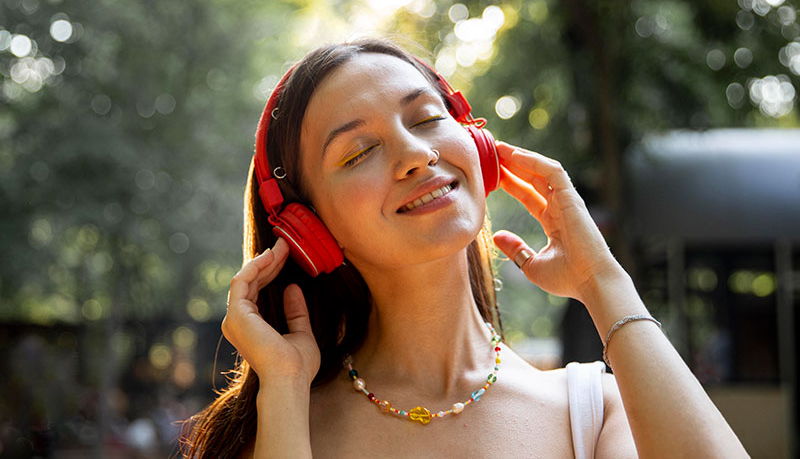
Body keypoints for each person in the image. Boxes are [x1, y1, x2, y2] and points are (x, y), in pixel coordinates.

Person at [181, 39, 748, 458]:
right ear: (310, 230)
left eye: (427, 118)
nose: (415, 154)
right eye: (357, 153)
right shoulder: (280, 429)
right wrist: (283, 392)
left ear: (477, 142)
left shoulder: (594, 415)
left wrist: (603, 282)